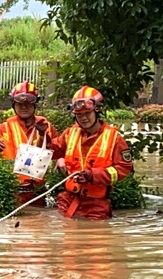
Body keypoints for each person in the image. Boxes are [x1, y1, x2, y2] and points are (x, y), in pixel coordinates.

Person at [50, 86, 133, 220]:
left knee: (94, 237)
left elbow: (124, 169)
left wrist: (93, 175)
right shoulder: (70, 133)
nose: (83, 118)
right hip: (68, 200)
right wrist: (43, 136)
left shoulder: (114, 138)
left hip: (96, 204)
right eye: (79, 115)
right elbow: (51, 150)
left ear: (97, 110)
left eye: (87, 113)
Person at [0, 80, 57, 206]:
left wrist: (45, 138)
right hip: (12, 191)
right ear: (13, 104)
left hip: (38, 192)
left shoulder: (46, 126)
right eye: (19, 103)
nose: (24, 107)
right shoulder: (4, 128)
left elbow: (59, 151)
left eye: (28, 103)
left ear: (35, 104)